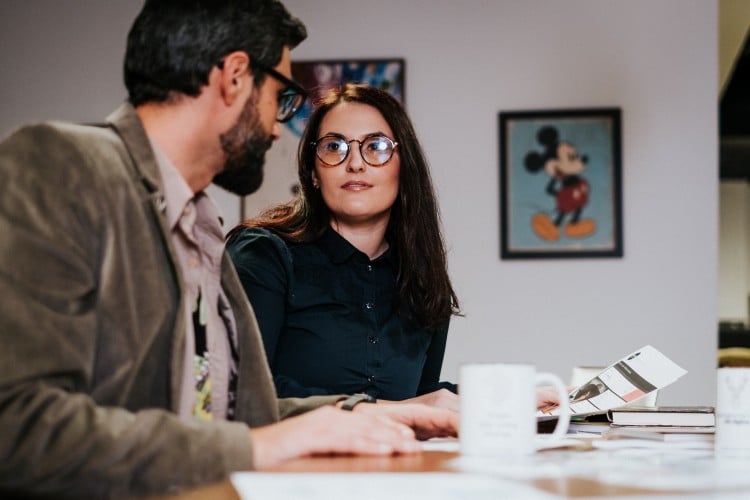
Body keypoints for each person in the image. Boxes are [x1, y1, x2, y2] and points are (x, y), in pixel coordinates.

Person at [0, 1, 457, 497]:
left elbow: (229, 413)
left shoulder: (199, 223)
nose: (278, 127)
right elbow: (18, 427)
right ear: (235, 77)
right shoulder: (60, 165)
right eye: (280, 98)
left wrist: (356, 414)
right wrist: (258, 449)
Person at [226, 84, 460, 410]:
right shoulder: (263, 255)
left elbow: (422, 396)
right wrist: (391, 412)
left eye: (376, 146)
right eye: (334, 146)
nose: (355, 163)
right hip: (282, 460)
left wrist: (514, 398)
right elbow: (241, 391)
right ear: (313, 172)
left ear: (404, 168)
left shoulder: (422, 278)